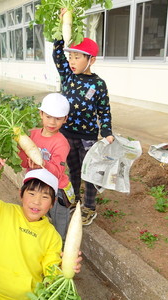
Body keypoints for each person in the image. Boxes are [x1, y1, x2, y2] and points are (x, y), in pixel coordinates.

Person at [0, 158, 82, 300]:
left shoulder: (51, 236)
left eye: (45, 197)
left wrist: (64, 268)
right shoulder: (1, 212)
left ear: (52, 204)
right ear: (21, 194)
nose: (37, 202)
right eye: (31, 194)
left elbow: (51, 271)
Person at [53, 9, 115, 226]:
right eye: (71, 56)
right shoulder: (67, 75)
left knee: (89, 173)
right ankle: (76, 200)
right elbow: (57, 55)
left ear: (91, 60)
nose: (72, 61)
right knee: (74, 169)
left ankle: (89, 208)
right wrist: (62, 30)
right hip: (67, 133)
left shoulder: (98, 84)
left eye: (77, 57)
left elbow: (103, 110)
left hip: (88, 136)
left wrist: (106, 132)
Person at [18, 93, 74, 241]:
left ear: (65, 119)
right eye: (48, 116)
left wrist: (42, 163)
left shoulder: (61, 143)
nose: (52, 122)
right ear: (41, 114)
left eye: (58, 118)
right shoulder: (31, 135)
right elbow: (23, 162)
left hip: (57, 191)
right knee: (33, 222)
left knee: (58, 229)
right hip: (36, 188)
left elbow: (57, 171)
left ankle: (58, 254)